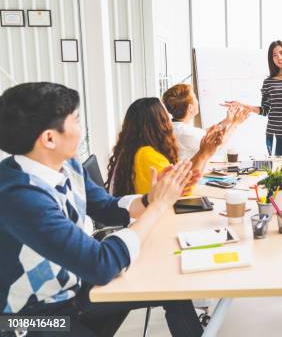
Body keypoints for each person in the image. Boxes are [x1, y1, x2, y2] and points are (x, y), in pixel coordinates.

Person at [0, 82, 206, 336]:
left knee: (174, 289)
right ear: (49, 138)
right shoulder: (19, 196)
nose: (81, 128)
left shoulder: (69, 167)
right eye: (75, 120)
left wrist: (150, 199)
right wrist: (160, 206)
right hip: (29, 318)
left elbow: (107, 207)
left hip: (74, 290)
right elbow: (101, 264)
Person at [107, 97, 248, 196]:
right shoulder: (147, 155)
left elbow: (178, 175)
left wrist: (203, 152)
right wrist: (204, 154)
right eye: (165, 116)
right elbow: (184, 189)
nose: (169, 119)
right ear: (157, 123)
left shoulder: (137, 149)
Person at [162, 83, 248, 160]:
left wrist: (227, 121)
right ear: (190, 108)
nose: (197, 101)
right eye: (195, 98)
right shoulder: (185, 132)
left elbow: (204, 133)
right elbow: (215, 145)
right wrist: (235, 124)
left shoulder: (175, 126)